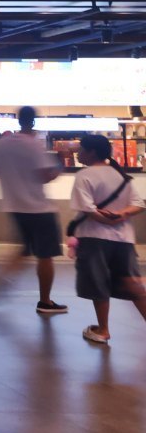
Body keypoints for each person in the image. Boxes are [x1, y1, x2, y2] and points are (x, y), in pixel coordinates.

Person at [0, 106, 68, 314]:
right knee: (45, 255)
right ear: (33, 121)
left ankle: (0, 279)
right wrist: (60, 166)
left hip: (14, 207)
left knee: (24, 249)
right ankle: (45, 301)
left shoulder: (2, 144)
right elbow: (45, 176)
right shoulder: (33, 145)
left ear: (18, 120)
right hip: (39, 208)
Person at [69, 134, 146, 344]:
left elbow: (88, 209)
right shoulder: (120, 175)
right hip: (124, 239)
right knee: (131, 284)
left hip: (94, 238)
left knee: (98, 284)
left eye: (81, 149)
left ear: (92, 152)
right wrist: (120, 215)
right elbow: (138, 204)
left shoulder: (84, 175)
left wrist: (106, 220)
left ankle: (103, 330)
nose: (78, 153)